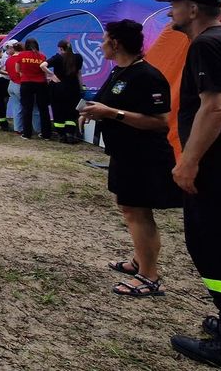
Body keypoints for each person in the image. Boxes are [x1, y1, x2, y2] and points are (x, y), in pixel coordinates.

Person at [157, 0, 221, 369]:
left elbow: (216, 109)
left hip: (218, 166)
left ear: (193, 9)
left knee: (218, 250)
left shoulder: (207, 44)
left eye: (174, 5)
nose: (169, 12)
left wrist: (189, 160)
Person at [78, 20, 181, 298]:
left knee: (138, 212)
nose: (100, 45)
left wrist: (113, 114)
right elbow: (108, 105)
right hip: (124, 153)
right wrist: (92, 111)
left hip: (143, 156)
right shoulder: (120, 72)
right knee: (129, 209)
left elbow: (160, 122)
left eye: (103, 40)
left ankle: (149, 276)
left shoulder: (147, 75)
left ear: (116, 43)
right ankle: (139, 260)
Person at [11, 38, 50, 139]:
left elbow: (17, 69)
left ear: (26, 45)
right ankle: (46, 134)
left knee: (27, 108)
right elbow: (44, 70)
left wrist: (23, 74)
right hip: (41, 84)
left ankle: (27, 134)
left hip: (26, 83)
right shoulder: (42, 56)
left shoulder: (21, 55)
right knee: (43, 109)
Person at [47, 40, 84, 143]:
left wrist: (51, 75)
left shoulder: (57, 58)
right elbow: (79, 74)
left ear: (60, 48)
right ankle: (70, 134)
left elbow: (42, 65)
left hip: (58, 88)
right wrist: (81, 87)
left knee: (58, 111)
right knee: (72, 112)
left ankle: (61, 135)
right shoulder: (78, 58)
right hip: (73, 88)